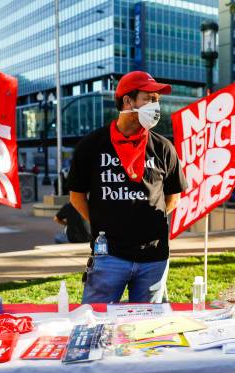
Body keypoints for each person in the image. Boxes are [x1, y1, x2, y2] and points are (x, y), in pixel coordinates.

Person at [67, 71, 187, 304]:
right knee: (95, 323)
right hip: (108, 257)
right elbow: (76, 196)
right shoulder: (91, 145)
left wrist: (146, 223)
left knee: (146, 332)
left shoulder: (163, 147)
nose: (156, 106)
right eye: (149, 98)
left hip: (154, 257)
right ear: (127, 101)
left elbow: (174, 197)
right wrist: (102, 222)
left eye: (157, 100)